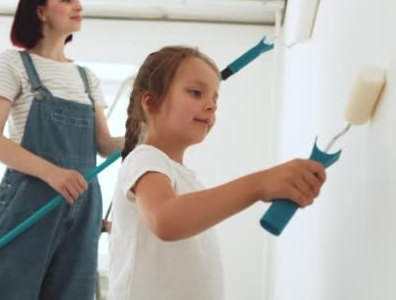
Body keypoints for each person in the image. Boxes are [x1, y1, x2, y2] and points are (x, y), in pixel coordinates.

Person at [108, 46, 327, 300]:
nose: (211, 106)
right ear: (151, 102)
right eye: (196, 93)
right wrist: (259, 184)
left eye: (215, 98)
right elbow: (165, 220)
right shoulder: (145, 159)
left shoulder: (185, 179)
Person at [0, 0, 123, 300]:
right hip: (30, 199)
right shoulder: (14, 63)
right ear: (40, 10)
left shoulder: (87, 78)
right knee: (8, 291)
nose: (78, 6)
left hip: (83, 203)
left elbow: (105, 145)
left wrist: (147, 133)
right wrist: (51, 173)